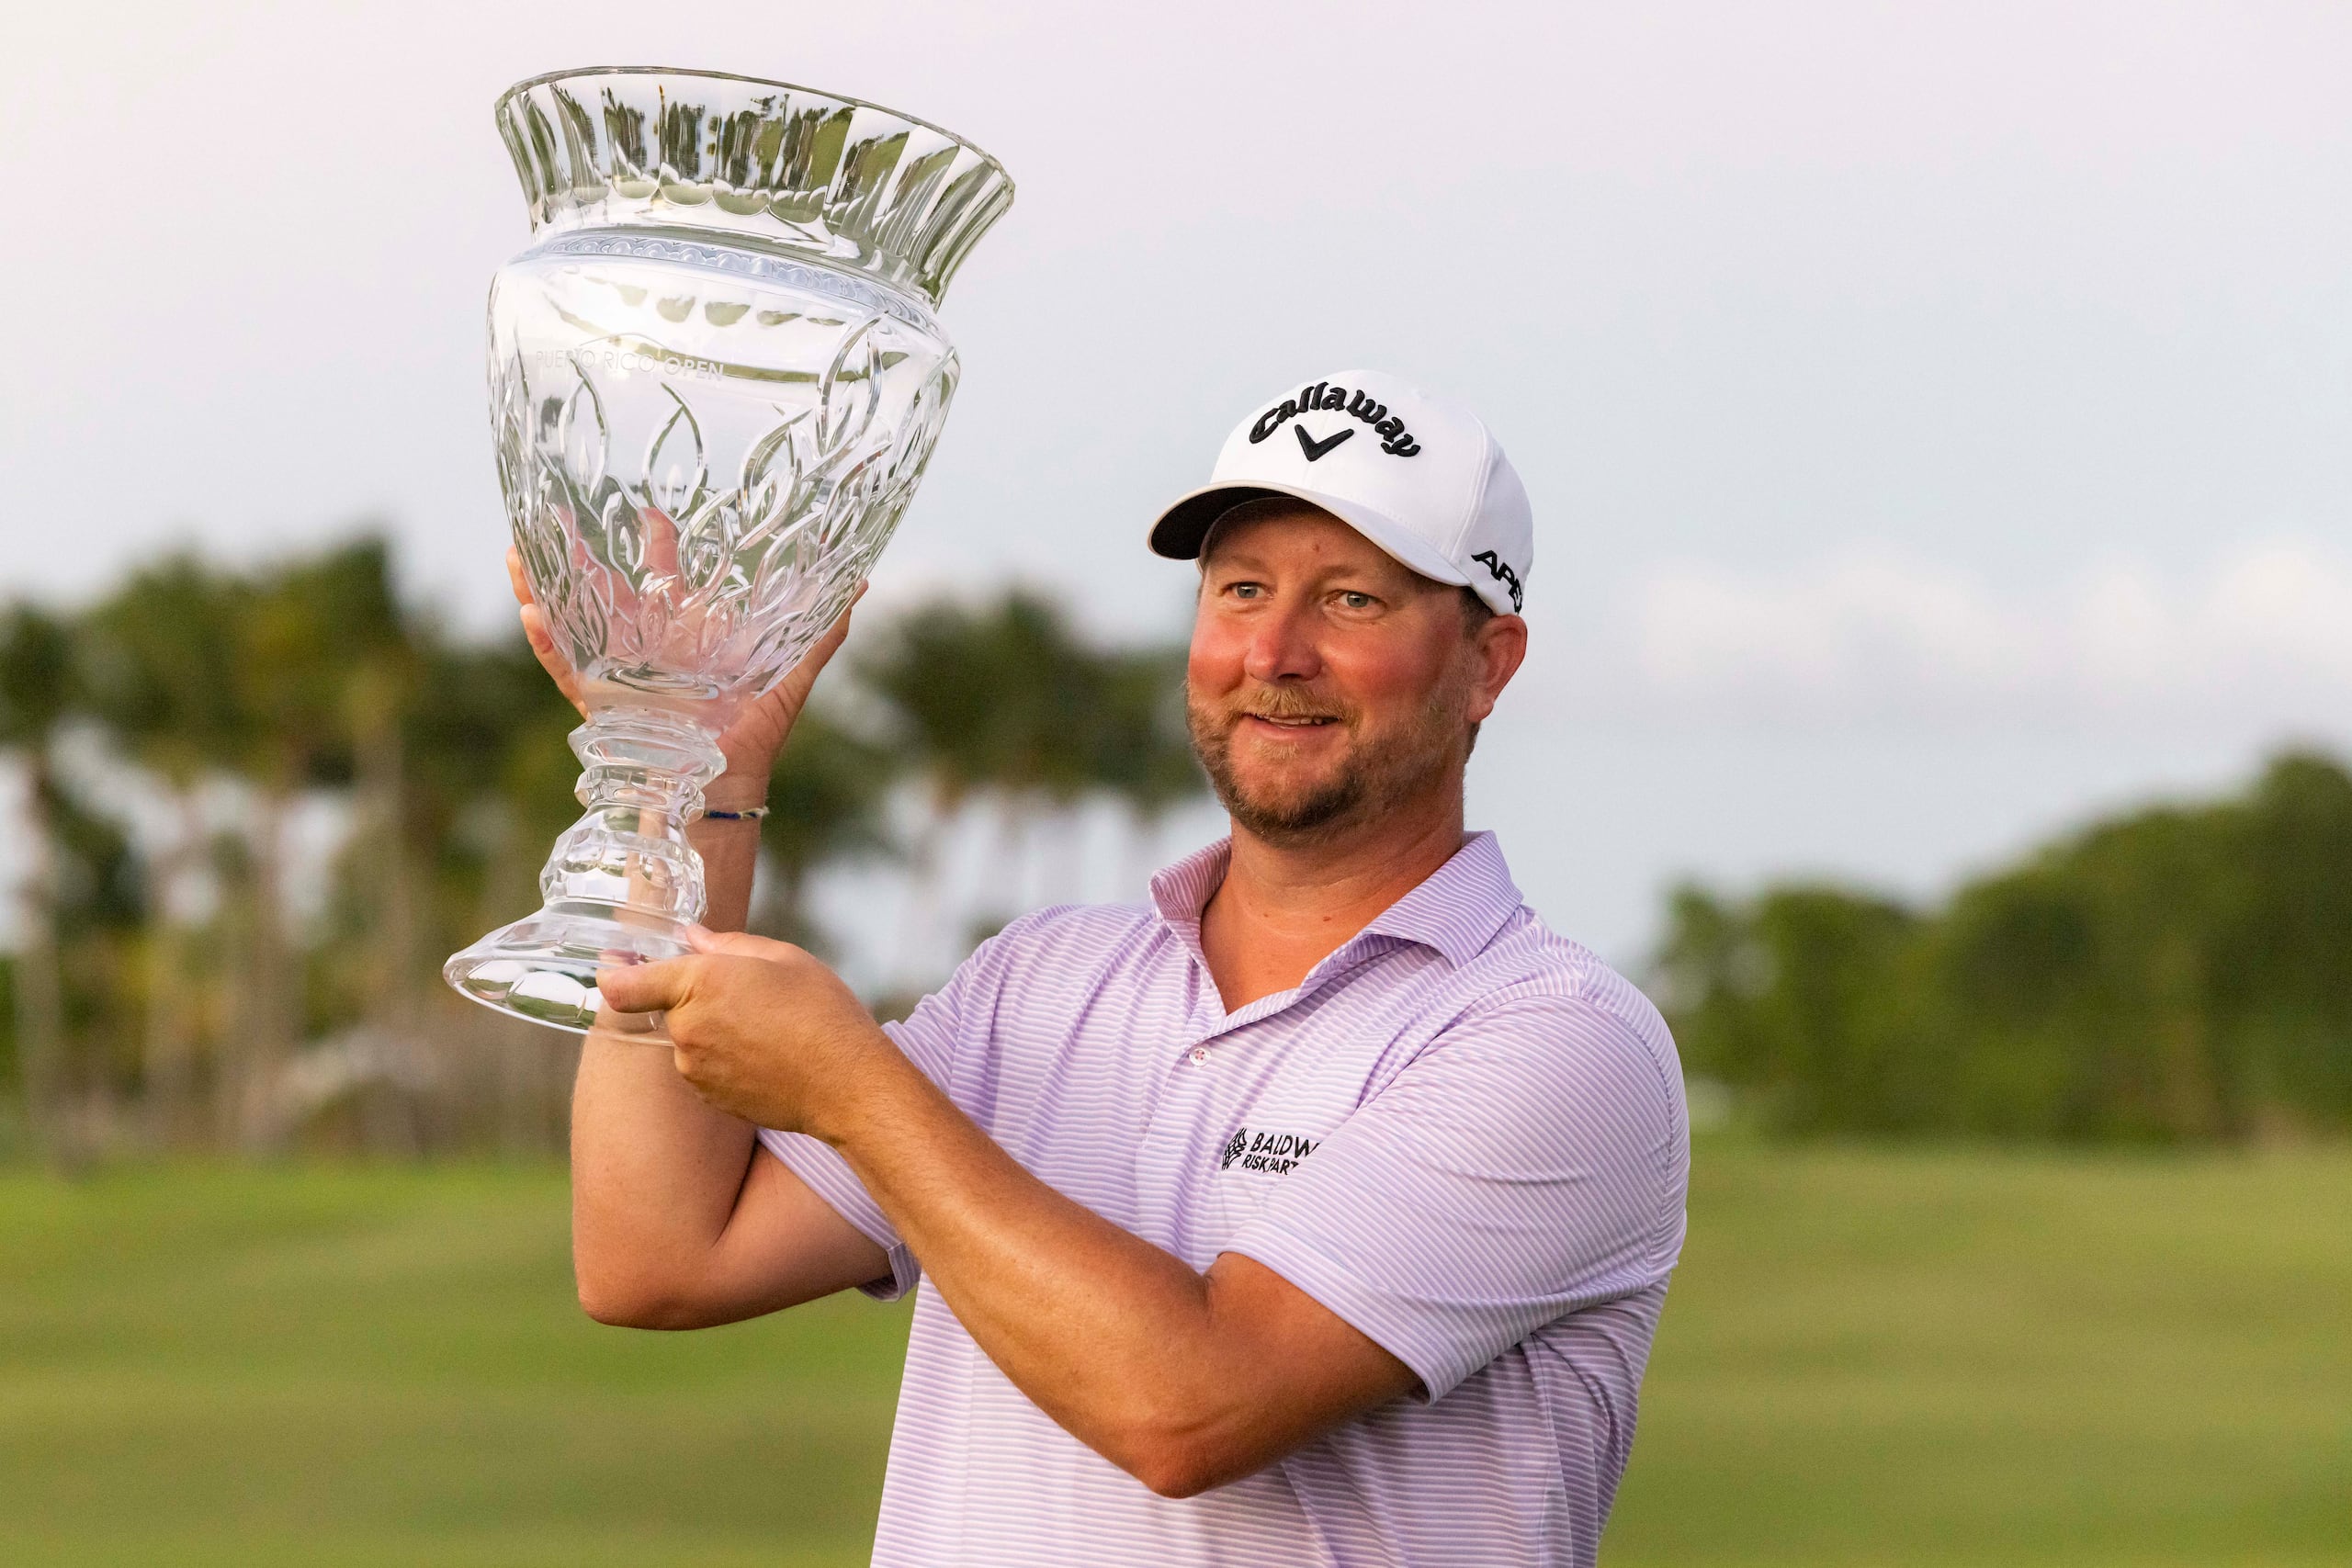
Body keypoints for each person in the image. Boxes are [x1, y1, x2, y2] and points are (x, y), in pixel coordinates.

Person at [529, 369, 1690, 1568]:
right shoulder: (1041, 980)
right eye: (1241, 591)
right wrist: (687, 789)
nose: (1275, 653)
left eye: (1352, 600)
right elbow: (654, 1256)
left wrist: (850, 1087)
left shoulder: (1557, 1040)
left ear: (1489, 663)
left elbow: (1190, 1407)